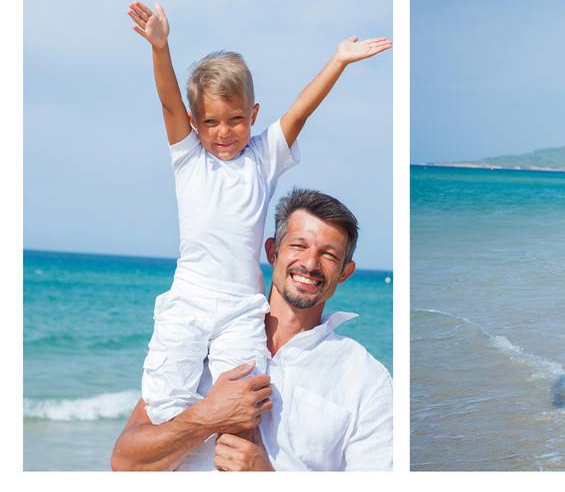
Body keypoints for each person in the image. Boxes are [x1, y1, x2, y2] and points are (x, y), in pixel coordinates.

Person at [123, 0, 391, 435]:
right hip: (188, 300)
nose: (223, 132)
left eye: (235, 120)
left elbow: (300, 111)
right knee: (164, 399)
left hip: (243, 308)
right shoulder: (189, 157)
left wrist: (338, 61)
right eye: (210, 122)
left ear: (254, 115)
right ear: (195, 123)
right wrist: (160, 48)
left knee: (245, 403)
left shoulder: (263, 158)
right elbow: (170, 104)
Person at [110, 189, 394, 471]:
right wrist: (206, 417)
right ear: (273, 251)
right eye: (299, 245)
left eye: (329, 255)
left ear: (345, 272)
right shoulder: (203, 332)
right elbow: (126, 464)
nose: (309, 263)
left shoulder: (366, 381)